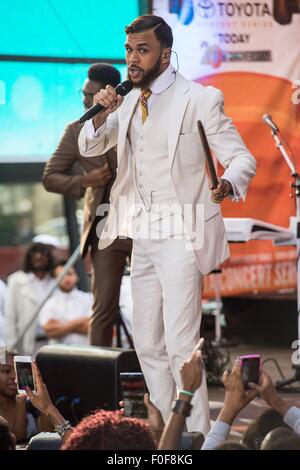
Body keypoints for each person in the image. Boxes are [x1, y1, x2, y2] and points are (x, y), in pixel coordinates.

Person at [78, 14, 256, 433]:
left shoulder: (199, 98)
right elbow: (89, 144)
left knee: (180, 343)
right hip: (142, 234)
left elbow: (243, 157)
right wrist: (102, 112)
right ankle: (168, 432)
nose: (133, 59)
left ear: (165, 54)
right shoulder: (126, 100)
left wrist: (228, 181)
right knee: (147, 343)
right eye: (128, 50)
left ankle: (194, 435)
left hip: (182, 230)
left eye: (142, 50)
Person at [43, 63, 132, 347]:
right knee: (103, 307)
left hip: (144, 221)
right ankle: (99, 381)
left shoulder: (135, 120)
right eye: (83, 93)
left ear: (110, 94)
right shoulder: (75, 129)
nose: (84, 99)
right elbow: (50, 177)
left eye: (90, 94)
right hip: (104, 228)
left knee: (152, 304)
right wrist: (86, 180)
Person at [5, 243, 56, 355]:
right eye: (35, 253)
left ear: (49, 257)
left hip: (53, 342)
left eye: (43, 253)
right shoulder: (16, 281)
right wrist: (11, 347)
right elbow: (10, 316)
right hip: (26, 344)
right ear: (29, 257)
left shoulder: (56, 280)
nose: (39, 256)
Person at [0, 351, 50, 442]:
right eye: (7, 371)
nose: (14, 377)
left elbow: (48, 438)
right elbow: (15, 442)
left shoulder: (32, 405)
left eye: (18, 372)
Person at [39, 260, 92, 346]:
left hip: (85, 352)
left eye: (69, 274)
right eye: (61, 276)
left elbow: (93, 328)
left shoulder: (89, 299)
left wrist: (61, 326)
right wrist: (80, 322)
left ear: (76, 276)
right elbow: (50, 331)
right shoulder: (50, 303)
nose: (66, 279)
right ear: (55, 279)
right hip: (58, 355)